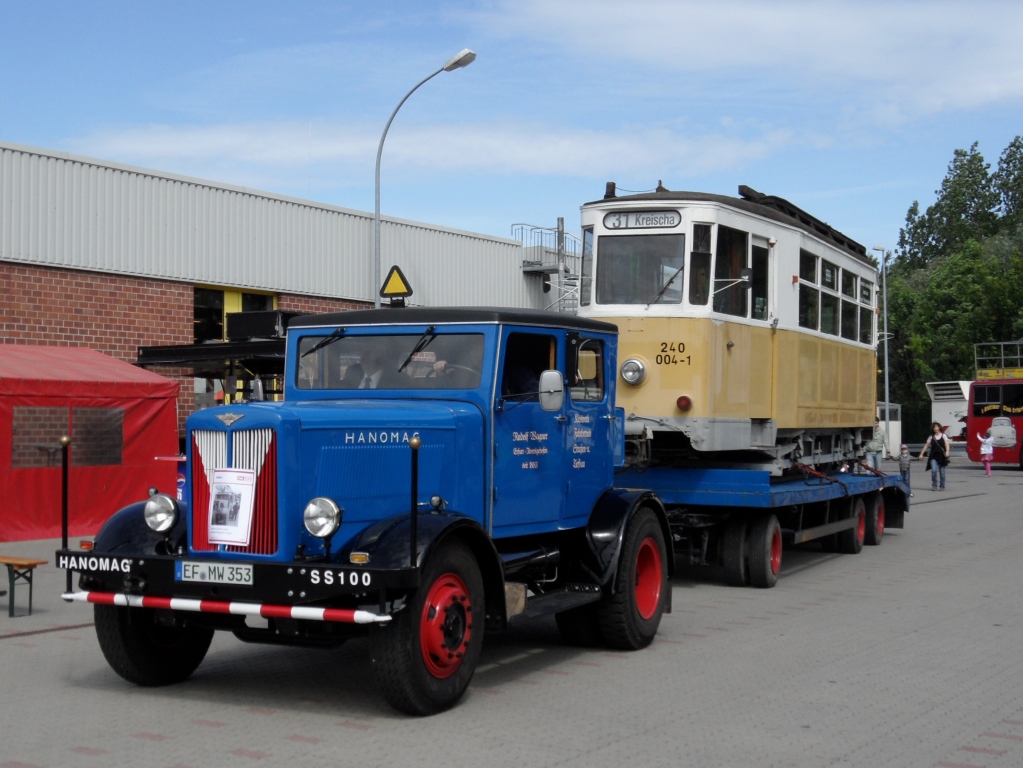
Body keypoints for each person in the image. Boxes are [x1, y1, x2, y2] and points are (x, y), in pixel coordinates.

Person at [918, 421, 950, 491]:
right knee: (934, 470)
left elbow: (947, 444)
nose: (935, 428)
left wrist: (947, 451)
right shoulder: (931, 437)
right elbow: (926, 446)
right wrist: (921, 454)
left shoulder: (943, 435)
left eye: (936, 427)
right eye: (934, 427)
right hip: (933, 456)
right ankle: (934, 485)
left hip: (942, 456)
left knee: (942, 472)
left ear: (939, 427)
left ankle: (942, 486)